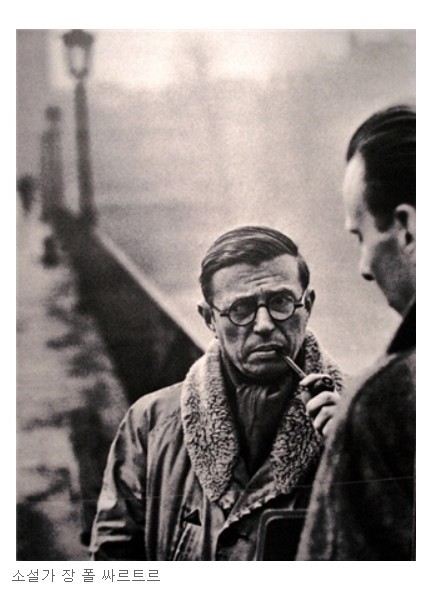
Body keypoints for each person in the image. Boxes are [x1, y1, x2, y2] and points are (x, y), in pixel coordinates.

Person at [89, 225, 344, 561]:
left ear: (307, 305)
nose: (265, 324)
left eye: (281, 302)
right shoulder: (149, 424)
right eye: (241, 309)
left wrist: (356, 453)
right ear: (209, 319)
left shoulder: (362, 419)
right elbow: (112, 562)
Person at [296, 104, 416, 560]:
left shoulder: (383, 404)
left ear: (406, 227)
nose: (364, 268)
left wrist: (355, 446)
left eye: (360, 236)